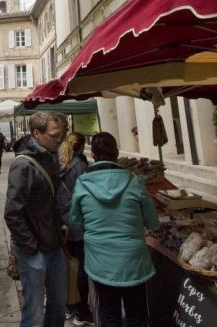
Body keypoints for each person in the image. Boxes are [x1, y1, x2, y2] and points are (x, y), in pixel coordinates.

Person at [70, 132, 159, 327]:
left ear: (93, 154)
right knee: (136, 315)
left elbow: (75, 221)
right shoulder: (134, 181)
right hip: (132, 259)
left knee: (109, 314)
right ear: (117, 153)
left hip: (100, 260)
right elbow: (153, 221)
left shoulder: (82, 183)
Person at [5, 112, 67, 327]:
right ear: (36, 133)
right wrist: (30, 247)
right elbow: (12, 212)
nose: (59, 140)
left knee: (58, 307)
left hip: (54, 245)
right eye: (54, 135)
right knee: (34, 313)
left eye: (61, 135)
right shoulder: (23, 165)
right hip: (34, 250)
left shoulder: (51, 156)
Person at [56, 132, 93, 326]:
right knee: (80, 269)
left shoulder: (59, 163)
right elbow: (86, 197)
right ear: (81, 147)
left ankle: (69, 306)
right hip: (77, 223)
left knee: (67, 265)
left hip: (61, 222)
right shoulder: (80, 167)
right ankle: (81, 310)